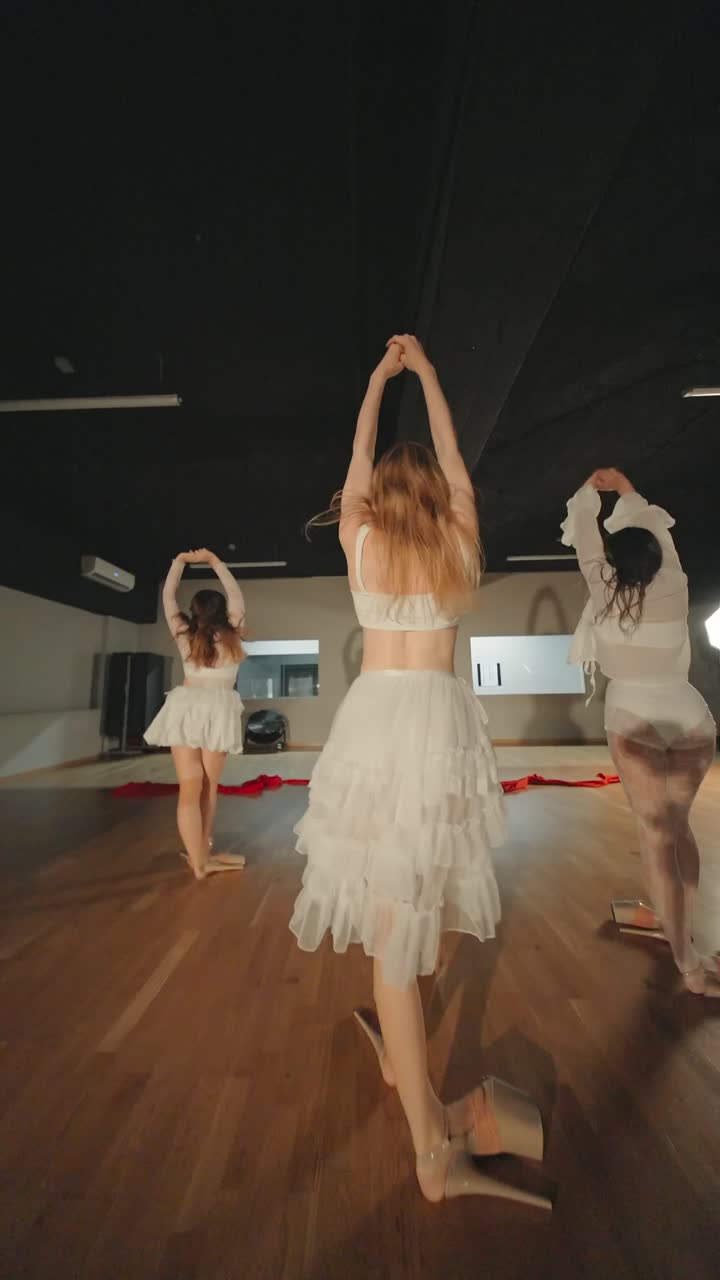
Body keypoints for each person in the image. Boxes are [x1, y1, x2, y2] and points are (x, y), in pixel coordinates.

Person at [290, 336, 548, 1209]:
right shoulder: (459, 536)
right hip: (438, 723)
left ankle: (414, 1082)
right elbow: (454, 461)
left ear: (371, 499)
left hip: (378, 722)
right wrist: (431, 376)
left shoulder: (360, 541)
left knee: (402, 924)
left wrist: (377, 380)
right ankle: (430, 1142)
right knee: (415, 915)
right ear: (437, 492)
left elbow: (357, 466)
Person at [561, 469, 718, 996]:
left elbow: (584, 529)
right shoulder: (674, 581)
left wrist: (591, 492)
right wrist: (626, 489)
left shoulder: (600, 584)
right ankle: (682, 928)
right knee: (680, 830)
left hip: (634, 723)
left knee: (656, 839)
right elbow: (658, 529)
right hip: (692, 721)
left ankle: (686, 960)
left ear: (610, 561)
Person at [144, 548, 247, 880]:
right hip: (217, 707)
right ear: (221, 611)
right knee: (209, 787)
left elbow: (167, 595)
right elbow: (235, 594)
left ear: (194, 612)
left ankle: (200, 859)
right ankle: (202, 855)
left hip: (186, 706)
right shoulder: (233, 630)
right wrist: (215, 561)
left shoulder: (183, 633)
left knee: (190, 787)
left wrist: (179, 562)